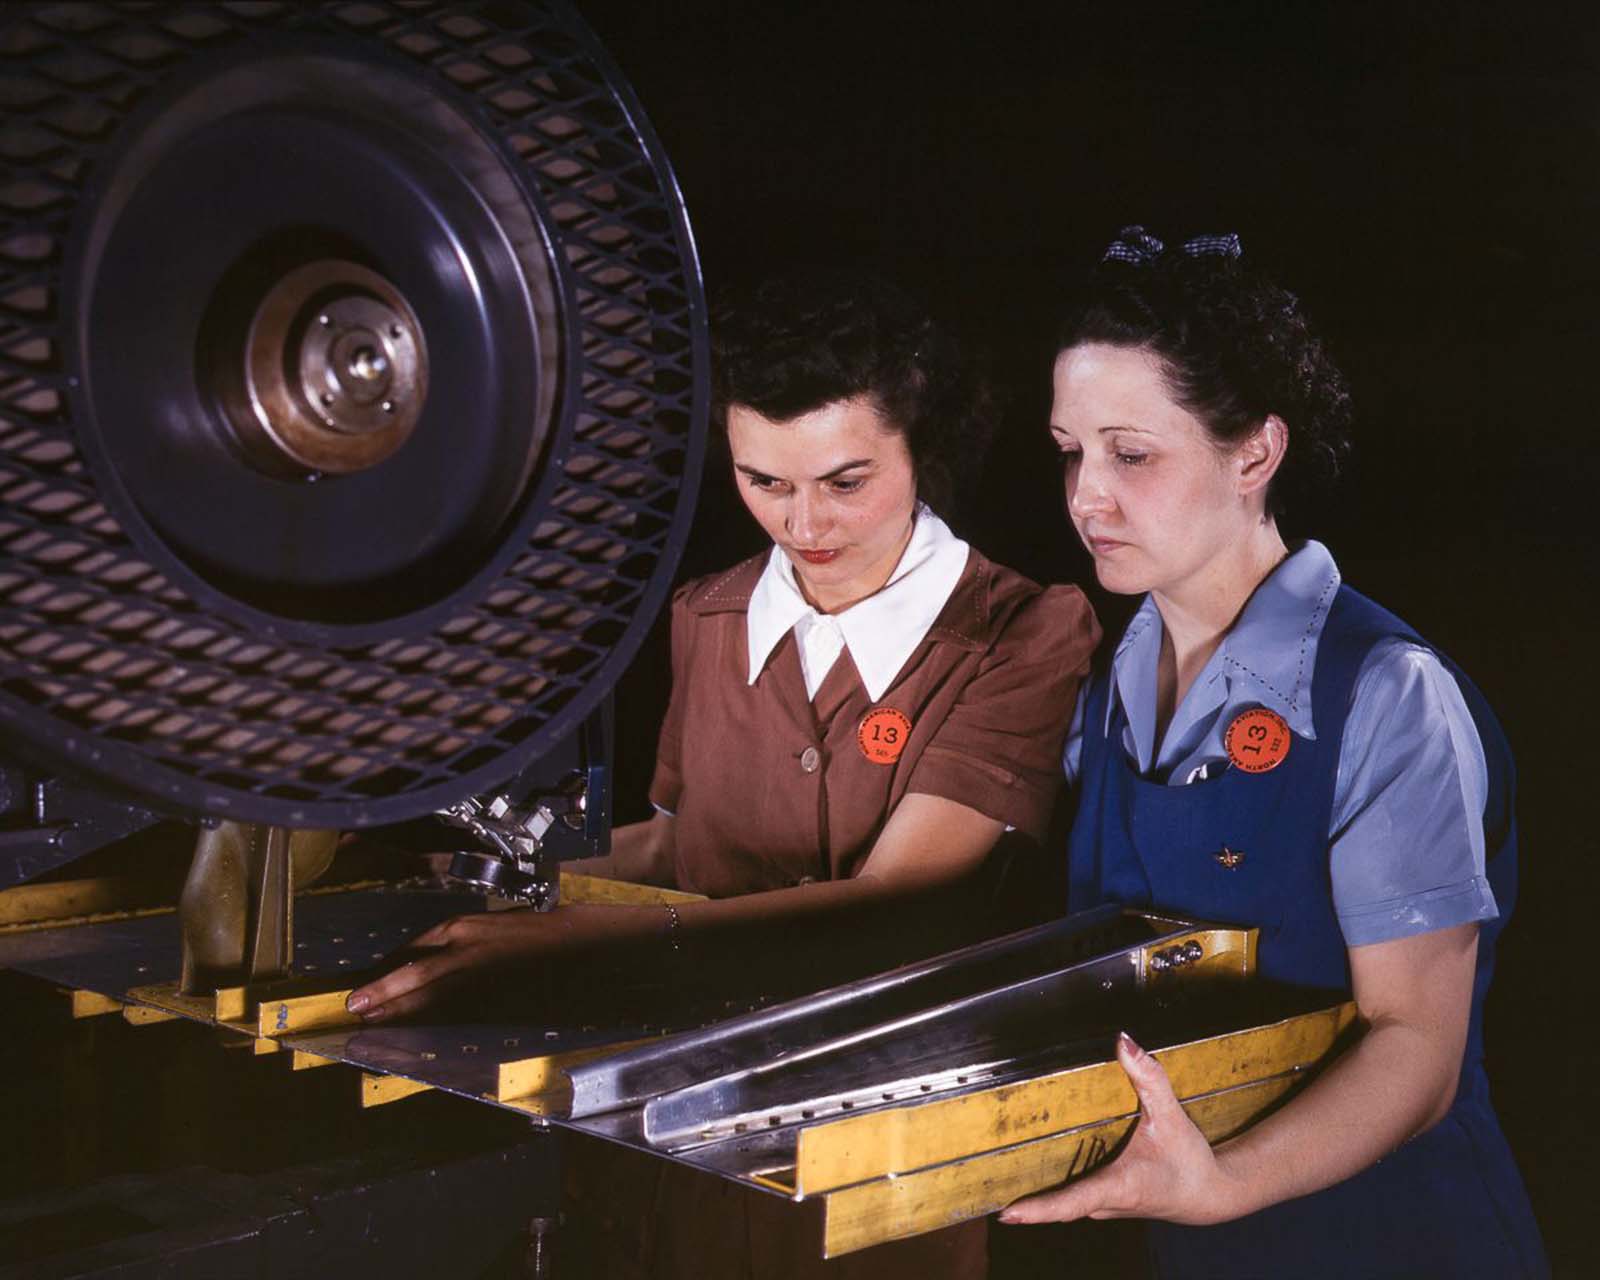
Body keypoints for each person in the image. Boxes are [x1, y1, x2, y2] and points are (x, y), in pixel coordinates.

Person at [349, 270, 1100, 1278]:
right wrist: (489, 882)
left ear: (926, 448)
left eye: (845, 481)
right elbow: (676, 837)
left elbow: (901, 902)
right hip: (676, 1096)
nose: (804, 523)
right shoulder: (707, 612)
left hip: (885, 1122)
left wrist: (565, 941)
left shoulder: (1021, 629)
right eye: (764, 482)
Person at [999, 227, 1547, 1278]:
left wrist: (1223, 1183)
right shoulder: (1117, 677)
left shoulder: (1386, 695)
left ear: (1254, 452)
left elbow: (1417, 1053)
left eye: (1132, 453)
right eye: (1071, 450)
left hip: (1400, 1242)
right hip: (1203, 1245)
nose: (1085, 496)